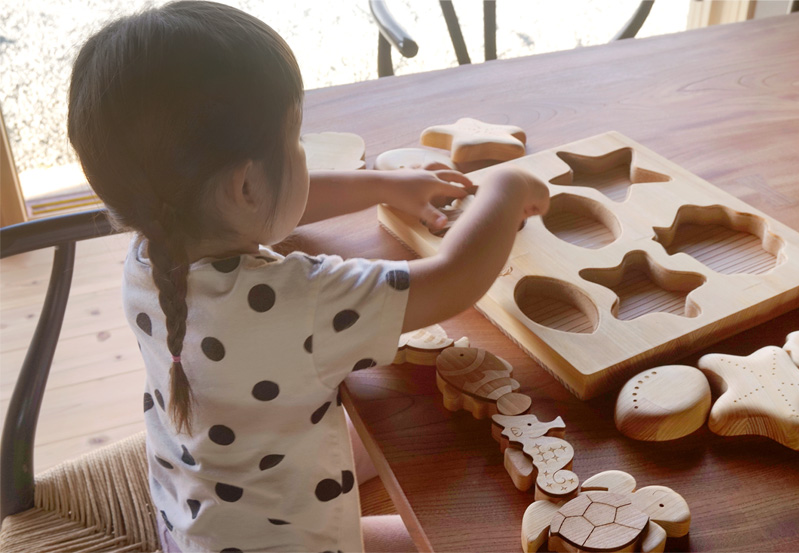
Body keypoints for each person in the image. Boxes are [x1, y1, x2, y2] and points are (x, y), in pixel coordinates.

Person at [66, 2, 550, 552]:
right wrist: (506, 192)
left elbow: (270, 202)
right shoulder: (300, 301)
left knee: (396, 432)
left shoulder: (153, 248)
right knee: (454, 536)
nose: (302, 152)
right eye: (295, 140)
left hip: (200, 524)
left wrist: (386, 186)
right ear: (246, 187)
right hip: (294, 543)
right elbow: (452, 280)